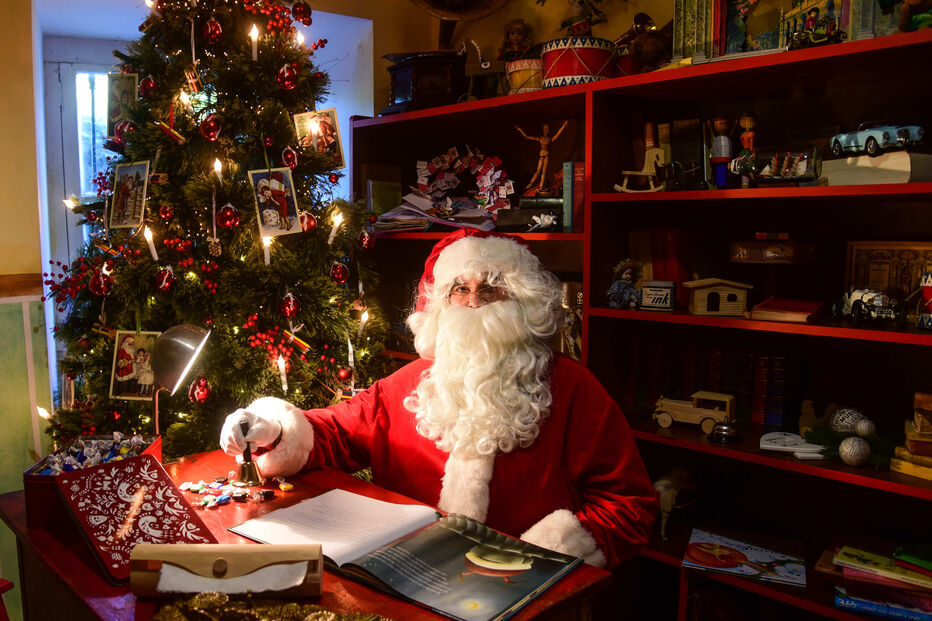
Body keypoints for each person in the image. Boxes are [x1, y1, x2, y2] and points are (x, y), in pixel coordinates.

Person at [220, 229, 658, 569]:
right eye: (459, 290)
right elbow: (332, 432)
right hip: (403, 573)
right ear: (441, 303)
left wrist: (546, 553)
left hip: (525, 590)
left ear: (522, 301)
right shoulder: (408, 383)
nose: (473, 303)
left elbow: (630, 506)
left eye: (491, 289)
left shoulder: (574, 389)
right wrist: (274, 428)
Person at [515, 120, 569, 195]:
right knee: (538, 171)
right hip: (542, 156)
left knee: (543, 172)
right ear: (543, 130)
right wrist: (520, 130)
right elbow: (527, 136)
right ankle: (531, 183)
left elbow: (557, 134)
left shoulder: (549, 139)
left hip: (546, 156)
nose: (545, 130)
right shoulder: (540, 138)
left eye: (547, 129)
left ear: (548, 130)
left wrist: (563, 126)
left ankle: (541, 186)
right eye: (544, 129)